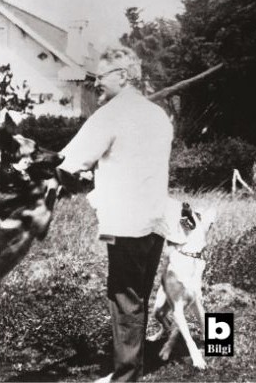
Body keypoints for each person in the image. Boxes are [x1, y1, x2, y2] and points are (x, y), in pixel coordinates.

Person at [58, 47, 173, 382]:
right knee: (138, 297)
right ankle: (133, 364)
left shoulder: (110, 114)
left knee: (124, 300)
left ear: (123, 76)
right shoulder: (158, 115)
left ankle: (126, 376)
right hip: (156, 222)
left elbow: (70, 160)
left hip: (126, 224)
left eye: (100, 77)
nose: (95, 84)